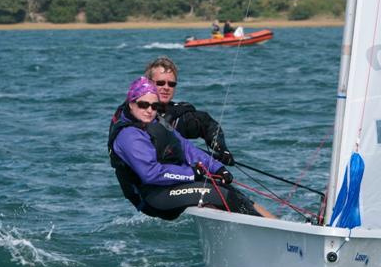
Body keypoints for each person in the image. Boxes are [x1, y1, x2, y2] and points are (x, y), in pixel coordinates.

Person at [108, 77, 274, 220]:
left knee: (231, 192)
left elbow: (186, 148)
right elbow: (151, 173)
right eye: (143, 104)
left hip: (170, 186)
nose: (150, 110)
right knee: (222, 195)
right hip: (153, 197)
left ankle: (278, 227)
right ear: (131, 104)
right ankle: (269, 235)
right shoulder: (129, 136)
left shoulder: (156, 121)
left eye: (155, 106)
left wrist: (217, 168)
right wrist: (192, 174)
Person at [144, 56, 235, 165]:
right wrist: (169, 116)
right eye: (160, 83)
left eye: (171, 84)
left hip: (177, 176)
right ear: (148, 83)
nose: (166, 87)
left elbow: (207, 125)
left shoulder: (180, 114)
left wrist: (222, 149)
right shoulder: (135, 110)